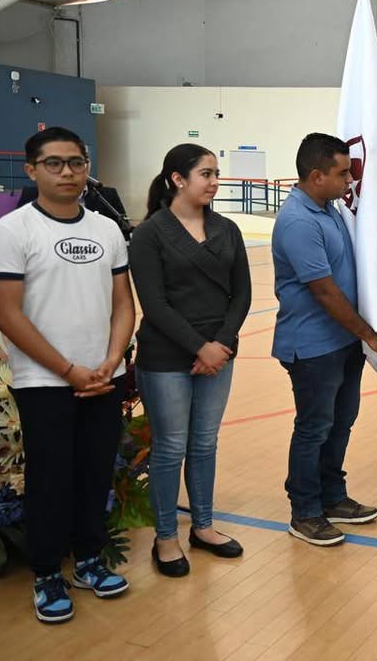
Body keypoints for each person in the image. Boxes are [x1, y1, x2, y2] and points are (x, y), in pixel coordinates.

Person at [0, 126, 135, 623]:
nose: (67, 171)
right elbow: (8, 314)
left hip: (101, 377)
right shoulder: (11, 232)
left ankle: (89, 559)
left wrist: (111, 358)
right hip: (45, 382)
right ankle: (47, 572)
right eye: (54, 163)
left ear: (87, 168)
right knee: (51, 479)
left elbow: (123, 305)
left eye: (76, 162)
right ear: (31, 170)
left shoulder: (107, 230)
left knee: (95, 473)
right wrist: (69, 370)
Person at [129, 144, 252, 576]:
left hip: (219, 352)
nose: (215, 181)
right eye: (206, 173)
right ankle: (166, 537)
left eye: (217, 173)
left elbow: (243, 295)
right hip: (166, 356)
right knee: (169, 448)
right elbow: (154, 305)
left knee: (204, 443)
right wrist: (200, 348)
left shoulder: (227, 230)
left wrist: (221, 344)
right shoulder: (149, 234)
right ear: (177, 179)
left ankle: (203, 526)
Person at [272, 133, 377, 547]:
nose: (350, 181)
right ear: (315, 175)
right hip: (311, 346)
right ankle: (305, 511)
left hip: (341, 342)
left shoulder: (331, 209)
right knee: (314, 428)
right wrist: (371, 336)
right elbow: (324, 291)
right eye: (343, 173)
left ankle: (332, 496)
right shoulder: (298, 221)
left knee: (340, 423)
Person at [18, 178, 132, 239]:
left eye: (78, 163)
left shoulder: (106, 195)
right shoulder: (32, 194)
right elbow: (20, 234)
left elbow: (123, 230)